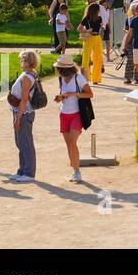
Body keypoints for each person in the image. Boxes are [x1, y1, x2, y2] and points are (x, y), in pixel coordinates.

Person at [51, 54, 92, 183]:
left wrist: (73, 94)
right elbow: (63, 94)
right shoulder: (61, 79)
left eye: (59, 68)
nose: (57, 70)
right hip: (64, 114)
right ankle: (75, 169)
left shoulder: (78, 78)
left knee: (72, 143)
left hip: (76, 114)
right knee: (69, 144)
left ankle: (77, 172)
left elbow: (90, 94)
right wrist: (59, 97)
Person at [8, 49, 40, 181]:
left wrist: (18, 117)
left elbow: (24, 99)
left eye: (23, 59)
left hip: (24, 113)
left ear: (28, 62)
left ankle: (29, 173)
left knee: (25, 143)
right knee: (20, 143)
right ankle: (22, 171)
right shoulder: (28, 74)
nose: (21, 61)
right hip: (20, 112)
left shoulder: (27, 77)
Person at [77, 1, 104, 85]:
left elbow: (101, 27)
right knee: (86, 58)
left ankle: (95, 78)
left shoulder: (99, 18)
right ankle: (85, 78)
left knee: (98, 58)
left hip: (97, 37)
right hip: (89, 37)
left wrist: (101, 30)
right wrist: (86, 30)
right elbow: (79, 29)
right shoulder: (86, 18)